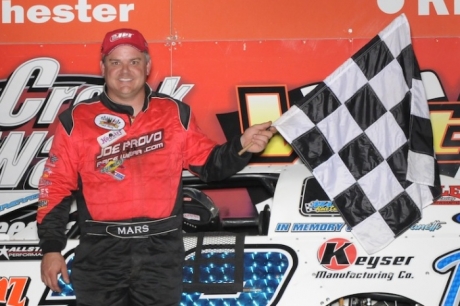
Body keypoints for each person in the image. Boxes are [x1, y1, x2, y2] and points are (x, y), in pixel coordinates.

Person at [37, 28, 276, 306]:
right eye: (115, 62)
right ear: (103, 67)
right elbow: (54, 188)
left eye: (134, 61)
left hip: (160, 253)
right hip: (100, 253)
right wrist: (51, 249)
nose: (125, 70)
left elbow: (210, 166)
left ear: (147, 66)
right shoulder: (76, 120)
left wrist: (240, 147)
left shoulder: (175, 113)